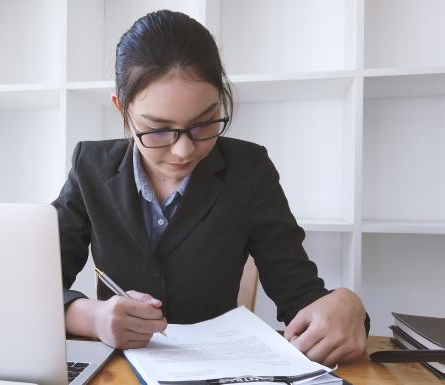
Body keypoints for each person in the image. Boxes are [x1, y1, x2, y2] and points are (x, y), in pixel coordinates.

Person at [53, 9, 369, 366]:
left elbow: (299, 294)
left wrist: (346, 306)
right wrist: (91, 317)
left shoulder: (249, 171)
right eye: (157, 130)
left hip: (215, 369)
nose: (184, 150)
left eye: (204, 124)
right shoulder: (90, 167)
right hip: (116, 369)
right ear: (121, 109)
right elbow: (34, 286)